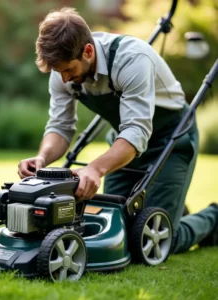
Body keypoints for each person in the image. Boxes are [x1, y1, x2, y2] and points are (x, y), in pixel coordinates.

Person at [18, 7, 218, 253]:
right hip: (122, 146)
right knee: (118, 230)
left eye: (69, 71)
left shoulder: (132, 59)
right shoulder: (62, 71)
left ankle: (213, 217)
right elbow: (60, 127)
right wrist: (42, 158)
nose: (65, 80)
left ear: (88, 51)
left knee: (155, 240)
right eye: (60, 73)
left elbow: (136, 130)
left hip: (171, 141)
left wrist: (95, 168)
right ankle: (171, 202)